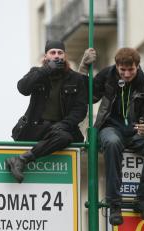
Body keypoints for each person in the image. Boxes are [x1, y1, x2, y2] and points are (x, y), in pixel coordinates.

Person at [79, 47, 144, 226]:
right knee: (112, 142)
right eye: (122, 70)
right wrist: (83, 68)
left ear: (138, 67)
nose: (126, 74)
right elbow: (87, 96)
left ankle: (143, 202)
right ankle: (114, 204)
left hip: (136, 131)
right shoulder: (106, 75)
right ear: (116, 66)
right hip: (110, 127)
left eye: (131, 70)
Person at [6, 40, 87, 183]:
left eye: (60, 53)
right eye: (53, 53)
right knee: (63, 137)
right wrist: (46, 70)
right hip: (36, 128)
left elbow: (80, 109)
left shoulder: (75, 78)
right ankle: (20, 160)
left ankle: (21, 159)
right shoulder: (37, 73)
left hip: (60, 129)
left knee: (65, 138)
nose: (57, 56)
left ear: (65, 56)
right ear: (46, 56)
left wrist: (64, 125)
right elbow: (22, 88)